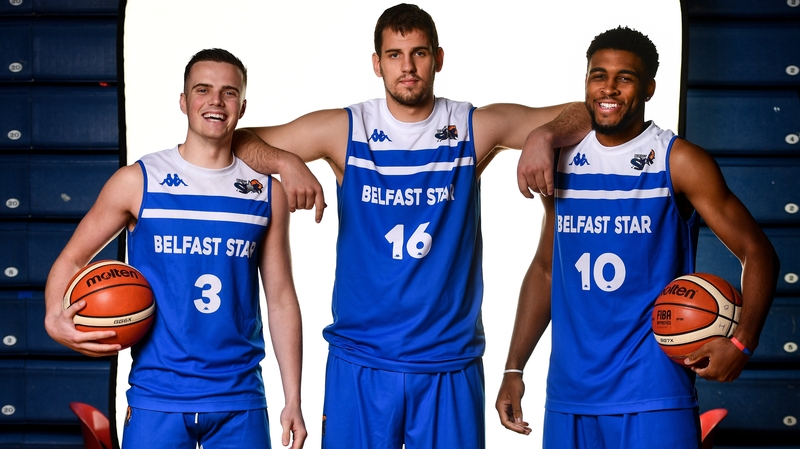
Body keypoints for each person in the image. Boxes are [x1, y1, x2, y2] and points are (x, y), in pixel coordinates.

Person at [229, 4, 591, 448]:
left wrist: (544, 135)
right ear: (377, 63)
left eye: (418, 53)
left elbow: (584, 112)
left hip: (449, 362)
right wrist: (286, 162)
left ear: (438, 58)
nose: (407, 67)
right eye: (394, 55)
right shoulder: (347, 129)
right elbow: (237, 139)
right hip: (361, 359)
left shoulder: (471, 126)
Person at [495, 26, 780, 448]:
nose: (609, 88)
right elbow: (546, 270)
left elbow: (758, 252)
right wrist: (514, 368)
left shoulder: (677, 160)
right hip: (570, 395)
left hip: (653, 393)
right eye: (599, 75)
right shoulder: (560, 160)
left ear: (648, 88)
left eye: (624, 78)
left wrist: (742, 342)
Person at [44, 48, 307, 449]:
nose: (216, 101)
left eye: (229, 92)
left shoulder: (265, 193)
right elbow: (73, 257)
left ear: (242, 106)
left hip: (239, 396)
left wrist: (293, 398)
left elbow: (282, 298)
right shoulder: (139, 181)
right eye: (203, 90)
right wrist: (53, 317)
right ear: (184, 101)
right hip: (157, 395)